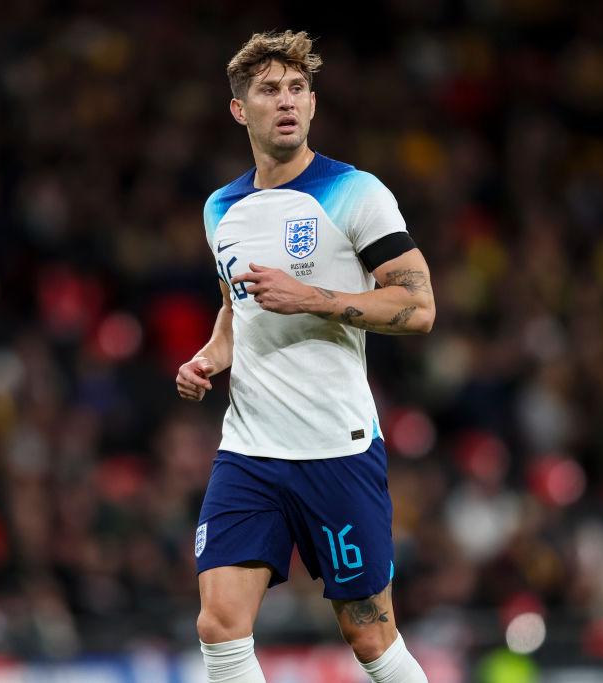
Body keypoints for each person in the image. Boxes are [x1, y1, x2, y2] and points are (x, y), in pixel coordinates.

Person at [176, 30, 434, 683]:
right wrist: (210, 356)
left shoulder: (356, 193)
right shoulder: (221, 209)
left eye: (297, 89)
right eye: (269, 90)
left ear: (313, 104)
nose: (285, 101)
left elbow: (418, 305)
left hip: (336, 448)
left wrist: (313, 297)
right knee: (219, 624)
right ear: (240, 110)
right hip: (251, 450)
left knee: (370, 635)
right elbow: (236, 307)